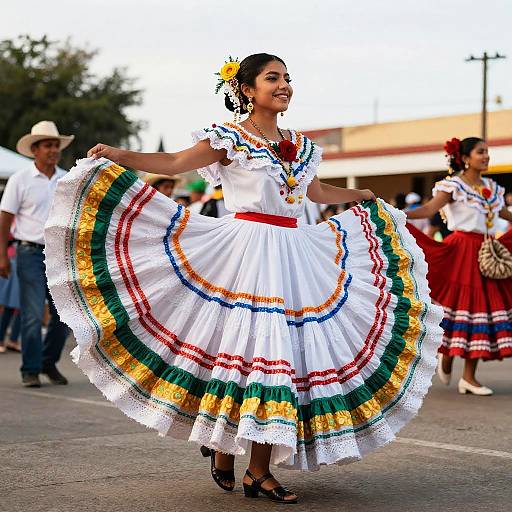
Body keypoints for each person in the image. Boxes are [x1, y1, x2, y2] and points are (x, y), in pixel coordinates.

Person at [44, 54, 443, 503]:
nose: (284, 85)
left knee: (282, 358)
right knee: (244, 351)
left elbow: (316, 193)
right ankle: (234, 454)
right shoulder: (231, 137)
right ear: (247, 90)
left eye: (288, 78)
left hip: (294, 255)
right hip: (244, 252)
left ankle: (249, 464)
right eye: (273, 78)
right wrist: (120, 155)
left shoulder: (301, 144)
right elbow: (176, 161)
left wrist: (362, 195)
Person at [407, 137, 512, 395]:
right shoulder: (453, 185)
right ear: (465, 157)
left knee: (480, 311)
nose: (486, 156)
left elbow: (505, 216)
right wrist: (398, 212)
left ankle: (468, 378)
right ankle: (448, 356)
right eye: (481, 152)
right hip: (459, 251)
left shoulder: (492, 188)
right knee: (458, 306)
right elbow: (430, 209)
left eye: (487, 152)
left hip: (485, 252)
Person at [0, 121, 72, 387]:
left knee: (64, 315)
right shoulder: (20, 179)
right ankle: (30, 368)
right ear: (34, 150)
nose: (53, 150)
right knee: (31, 313)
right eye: (47, 146)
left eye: (56, 145)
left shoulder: (66, 179)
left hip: (59, 255)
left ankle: (47, 362)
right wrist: (2, 255)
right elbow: (5, 217)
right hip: (29, 251)